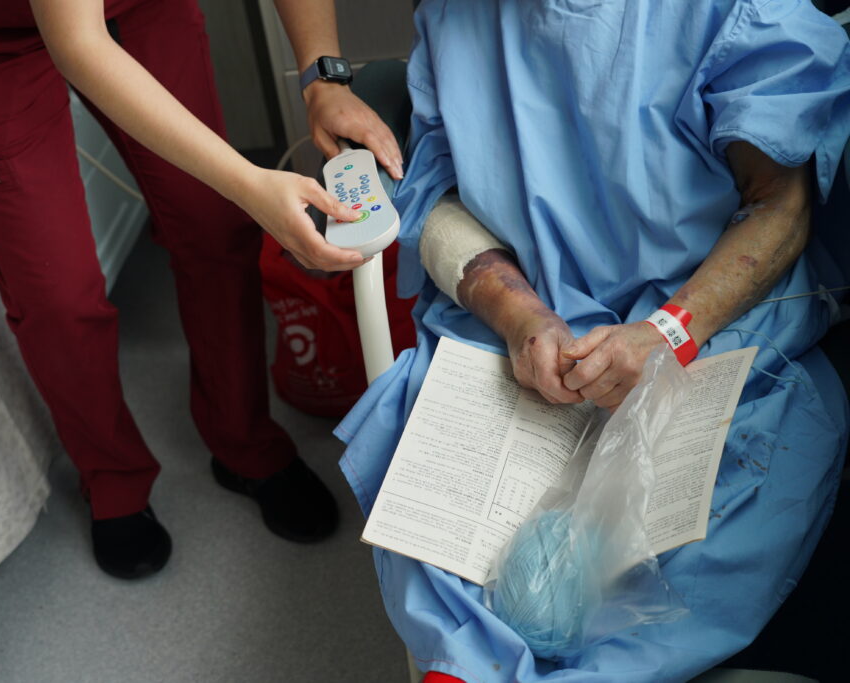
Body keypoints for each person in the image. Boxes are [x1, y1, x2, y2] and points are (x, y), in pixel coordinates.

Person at [336, 0, 850, 680]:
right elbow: (435, 201)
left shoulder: (728, 13)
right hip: (522, 320)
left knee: (714, 525)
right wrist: (520, 316)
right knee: (441, 531)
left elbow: (780, 206)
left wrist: (667, 331)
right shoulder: (456, 16)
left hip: (705, 317)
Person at [0, 0, 403, 579]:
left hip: (139, 8)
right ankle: (113, 483)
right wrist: (250, 185)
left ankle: (244, 445)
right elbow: (77, 44)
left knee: (211, 225)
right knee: (57, 294)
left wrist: (321, 74)